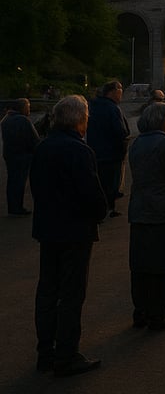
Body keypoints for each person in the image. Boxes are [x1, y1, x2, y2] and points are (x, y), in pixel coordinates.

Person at [29, 95, 108, 376]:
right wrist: (100, 212)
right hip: (75, 232)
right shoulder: (80, 151)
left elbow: (36, 187)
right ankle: (66, 355)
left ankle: (45, 352)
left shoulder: (43, 147)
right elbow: (92, 195)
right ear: (79, 120)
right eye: (85, 118)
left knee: (47, 291)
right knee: (72, 294)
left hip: (48, 231)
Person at [127, 101, 165, 330]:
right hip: (162, 212)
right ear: (164, 120)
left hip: (139, 210)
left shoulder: (138, 143)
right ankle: (158, 315)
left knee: (140, 266)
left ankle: (140, 311)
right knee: (160, 267)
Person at [87, 80, 130, 218]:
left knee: (99, 181)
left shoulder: (92, 105)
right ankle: (108, 209)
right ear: (112, 92)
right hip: (112, 153)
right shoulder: (113, 108)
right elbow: (121, 131)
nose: (121, 95)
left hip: (95, 150)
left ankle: (99, 208)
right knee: (111, 183)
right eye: (120, 92)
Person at [2, 97, 40, 215]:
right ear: (23, 108)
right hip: (22, 155)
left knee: (12, 181)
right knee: (19, 182)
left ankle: (13, 207)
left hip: (10, 154)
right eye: (28, 107)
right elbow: (34, 139)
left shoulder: (6, 120)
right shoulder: (23, 121)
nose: (29, 109)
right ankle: (17, 208)